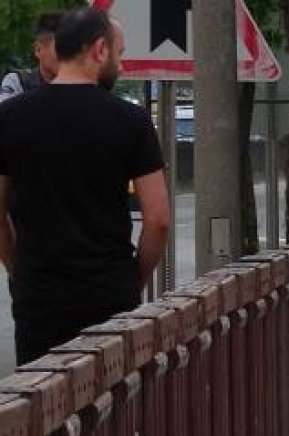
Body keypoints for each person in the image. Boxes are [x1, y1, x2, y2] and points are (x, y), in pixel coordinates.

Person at [0, 7, 171, 365]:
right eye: (120, 54)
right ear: (99, 50)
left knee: (41, 407)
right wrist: (131, 279)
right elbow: (158, 219)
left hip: (39, 298)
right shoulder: (131, 122)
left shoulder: (11, 118)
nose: (121, 67)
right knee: (112, 408)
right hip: (109, 296)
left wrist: (19, 268)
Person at [0, 11, 64, 103]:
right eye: (61, 48)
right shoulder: (18, 82)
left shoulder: (85, 84)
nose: (68, 55)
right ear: (38, 49)